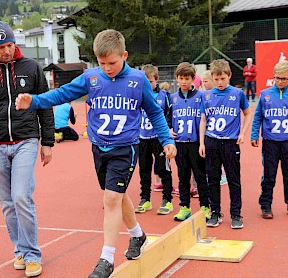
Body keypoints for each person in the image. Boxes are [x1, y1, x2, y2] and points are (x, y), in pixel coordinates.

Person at [15, 29, 176, 278]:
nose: (107, 68)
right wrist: (34, 101)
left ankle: (106, 258)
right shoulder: (91, 78)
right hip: (99, 147)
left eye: (112, 62)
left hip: (125, 147)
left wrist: (166, 139)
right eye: (102, 63)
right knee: (117, 196)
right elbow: (61, 93)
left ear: (124, 55)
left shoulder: (137, 80)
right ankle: (138, 235)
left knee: (111, 199)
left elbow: (154, 112)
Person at [0, 20, 54, 277]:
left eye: (9, 45)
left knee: (20, 196)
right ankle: (19, 249)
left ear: (14, 43)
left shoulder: (31, 67)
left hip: (26, 140)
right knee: (7, 203)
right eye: (0, 47)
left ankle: (32, 255)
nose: (6, 51)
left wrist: (47, 142)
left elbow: (45, 104)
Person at [199, 59, 252, 229]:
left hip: (230, 143)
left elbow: (248, 113)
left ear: (229, 76)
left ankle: (236, 214)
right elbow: (203, 119)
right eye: (216, 79)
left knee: (233, 179)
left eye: (223, 78)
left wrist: (243, 133)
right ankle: (215, 212)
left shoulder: (237, 94)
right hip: (211, 141)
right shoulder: (207, 96)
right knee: (212, 179)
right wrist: (201, 142)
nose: (220, 82)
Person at [251, 60, 288, 219]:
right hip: (270, 142)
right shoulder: (265, 95)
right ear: (273, 77)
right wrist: (254, 135)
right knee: (269, 175)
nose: (280, 81)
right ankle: (266, 205)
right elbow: (258, 116)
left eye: (284, 79)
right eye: (277, 78)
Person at [169, 62, 210, 222]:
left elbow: (206, 118)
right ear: (177, 79)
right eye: (181, 78)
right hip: (180, 143)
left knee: (200, 176)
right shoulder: (173, 98)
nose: (184, 81)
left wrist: (203, 141)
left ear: (193, 79)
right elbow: (166, 117)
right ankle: (184, 207)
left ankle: (205, 207)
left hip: (195, 143)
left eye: (187, 78)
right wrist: (169, 128)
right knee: (182, 176)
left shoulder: (200, 97)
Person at [136, 64, 173, 215]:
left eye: (150, 82)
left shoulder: (164, 96)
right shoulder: (137, 95)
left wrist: (169, 131)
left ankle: (167, 200)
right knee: (143, 169)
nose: (147, 85)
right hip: (142, 138)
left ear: (156, 80)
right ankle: (145, 199)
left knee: (163, 169)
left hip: (159, 139)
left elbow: (170, 115)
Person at [201, 70, 228, 186]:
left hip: (220, 133)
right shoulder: (204, 96)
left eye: (206, 81)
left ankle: (222, 174)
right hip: (207, 133)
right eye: (202, 81)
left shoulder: (223, 95)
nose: (204, 84)